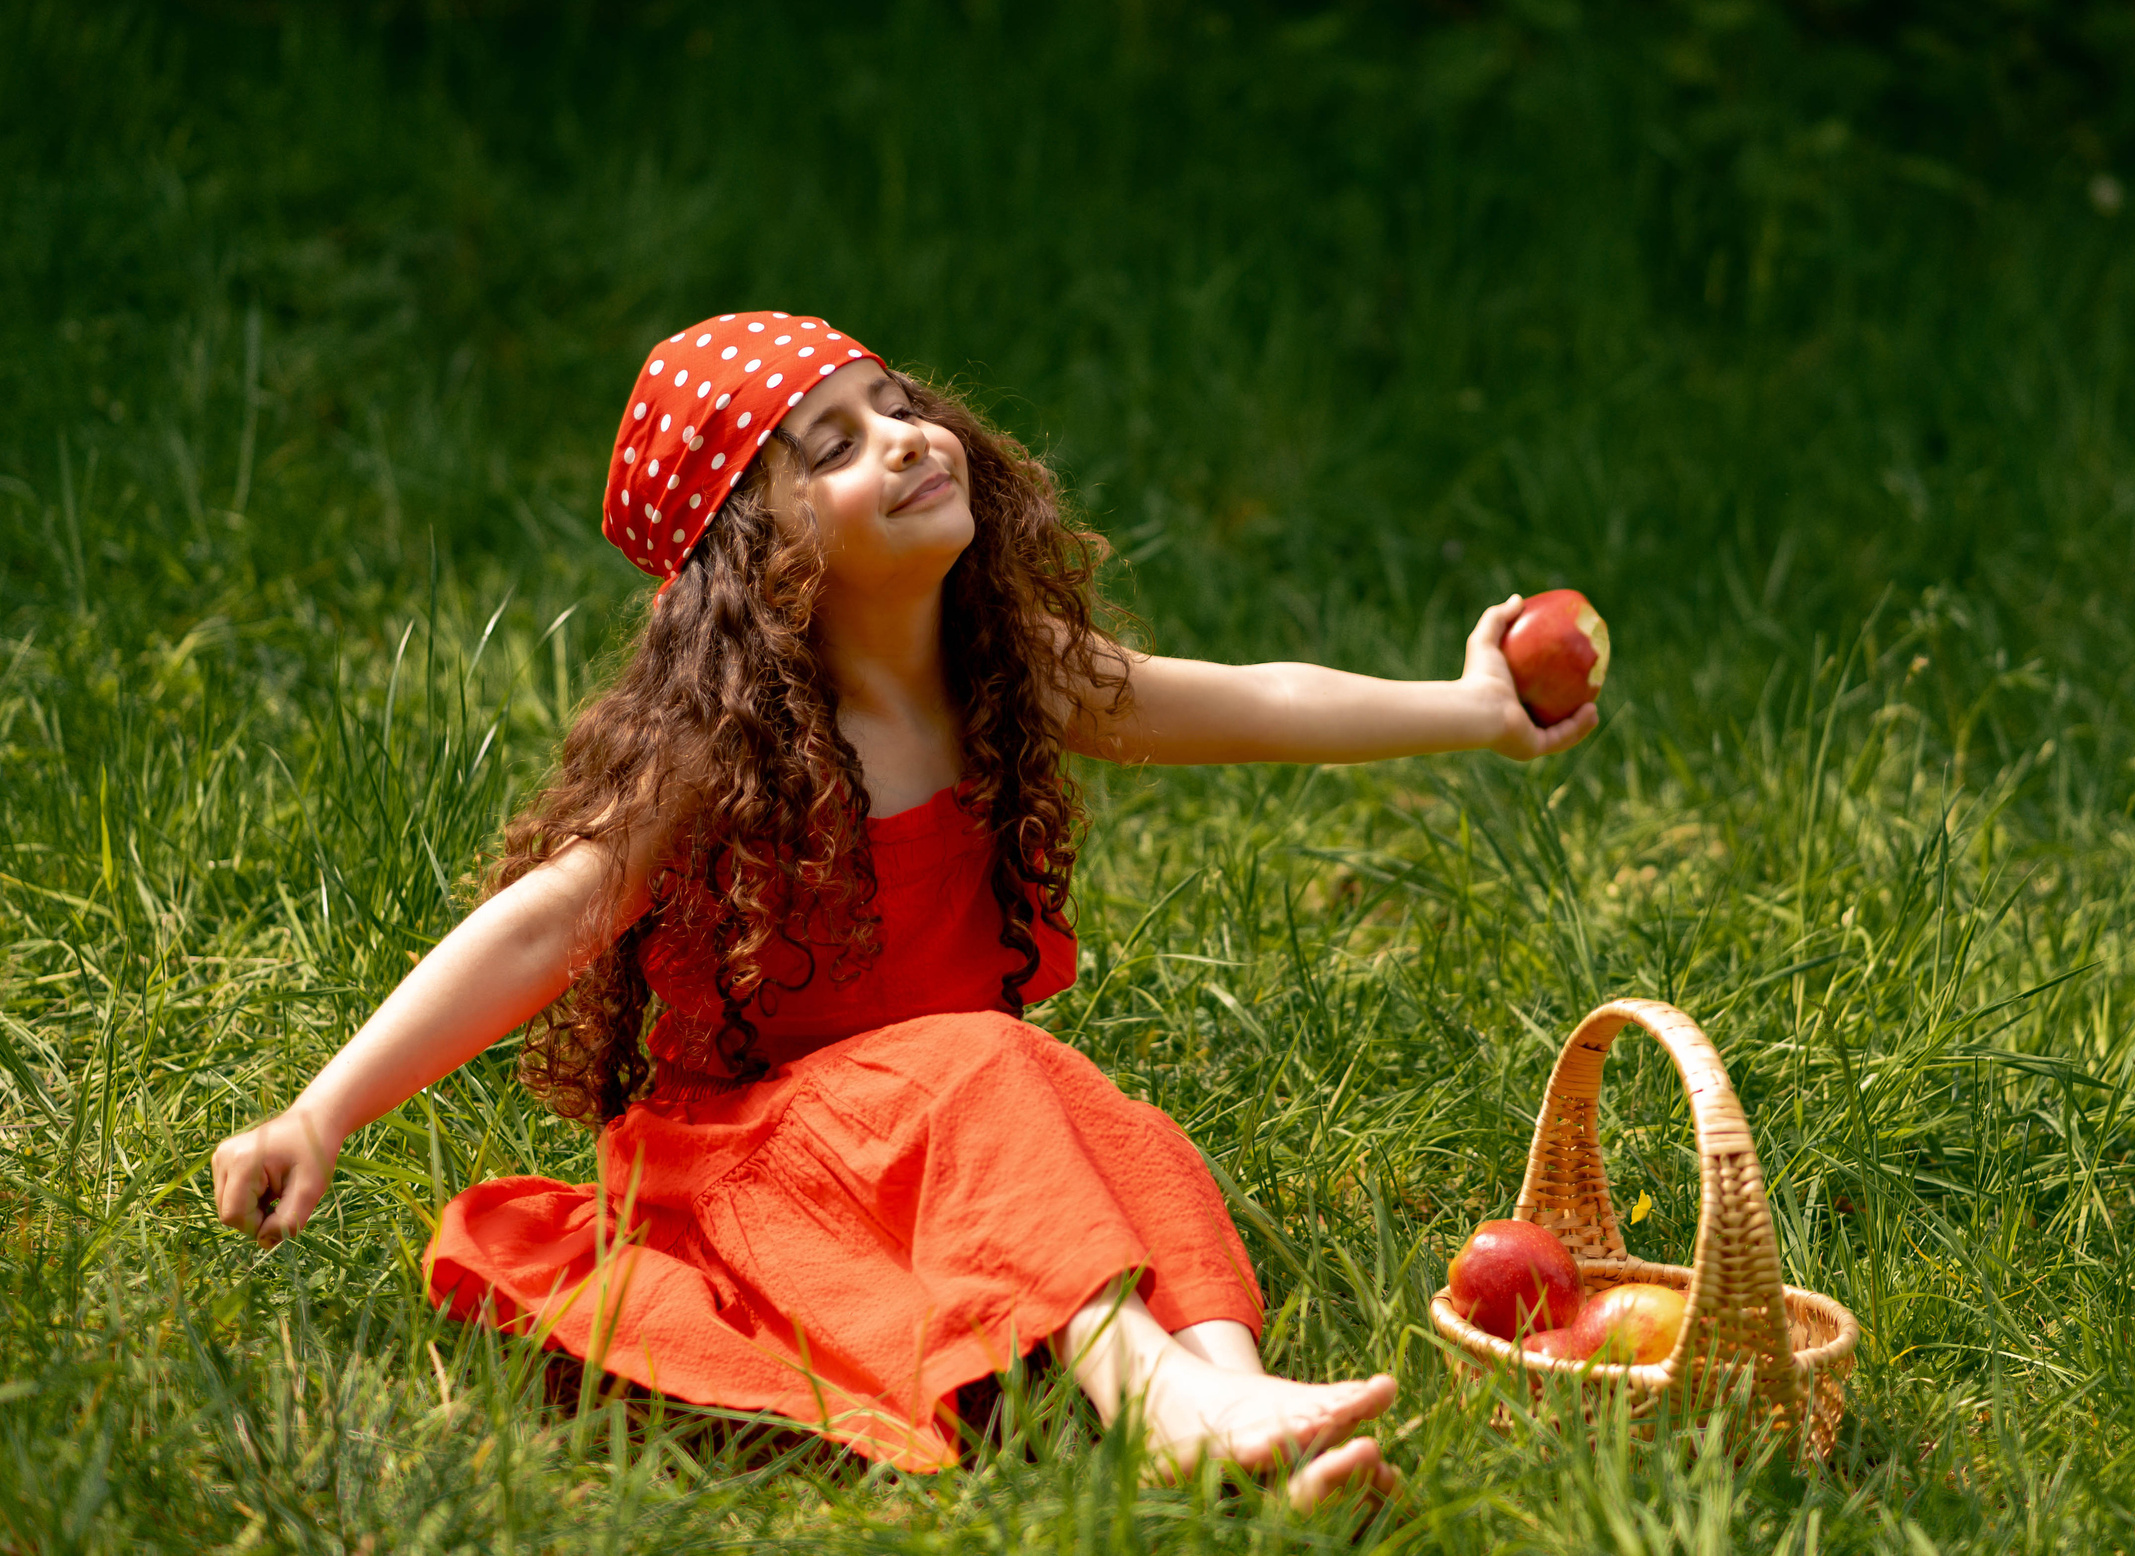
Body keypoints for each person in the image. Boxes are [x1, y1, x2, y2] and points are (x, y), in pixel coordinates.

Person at [209, 311, 1597, 1507]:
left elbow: (1254, 696)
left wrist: (1471, 710)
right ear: (761, 556)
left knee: (1130, 1141)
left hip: (948, 1140)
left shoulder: (1006, 671)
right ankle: (1173, 1414)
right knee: (996, 1066)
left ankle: (1239, 1409)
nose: (906, 437)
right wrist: (322, 1110)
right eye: (834, 446)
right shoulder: (715, 757)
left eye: (898, 407)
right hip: (760, 1172)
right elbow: (537, 922)